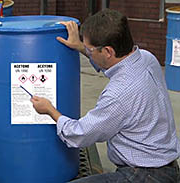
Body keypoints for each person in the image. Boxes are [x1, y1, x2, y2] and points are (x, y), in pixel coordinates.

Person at [31, 9, 180, 183]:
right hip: (167, 164)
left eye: (89, 49)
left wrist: (50, 110)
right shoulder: (147, 58)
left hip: (146, 176)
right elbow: (109, 64)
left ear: (108, 51)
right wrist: (80, 47)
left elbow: (81, 134)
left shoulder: (118, 95)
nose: (88, 51)